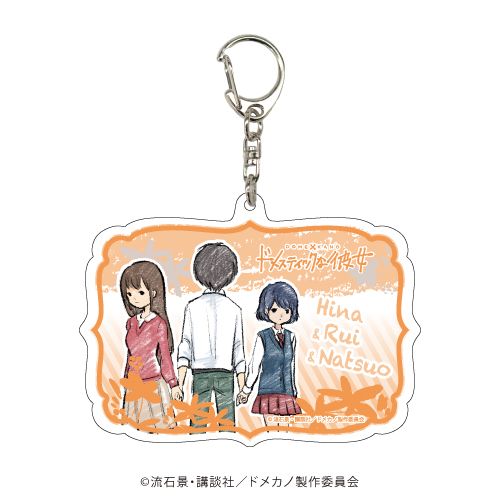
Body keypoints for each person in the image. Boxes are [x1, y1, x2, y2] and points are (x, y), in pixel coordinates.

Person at [177, 242, 246, 428]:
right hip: (226, 374)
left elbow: (185, 345)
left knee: (197, 425)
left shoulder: (192, 307)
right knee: (227, 425)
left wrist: (180, 383)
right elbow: (238, 350)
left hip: (200, 374)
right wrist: (242, 387)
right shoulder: (234, 309)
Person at [120, 260, 182, 429]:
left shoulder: (159, 324)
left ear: (153, 292)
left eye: (140, 292)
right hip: (133, 386)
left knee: (159, 429)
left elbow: (164, 357)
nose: (134, 298)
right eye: (129, 294)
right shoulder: (131, 323)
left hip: (154, 385)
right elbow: (130, 355)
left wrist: (173, 384)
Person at [237, 281, 301, 427]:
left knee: (285, 432)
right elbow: (254, 366)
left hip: (287, 392)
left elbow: (291, 365)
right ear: (266, 310)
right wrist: (246, 390)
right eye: (275, 309)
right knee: (271, 431)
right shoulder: (263, 336)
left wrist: (293, 390)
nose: (280, 314)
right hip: (268, 391)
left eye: (286, 310)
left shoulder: (291, 337)